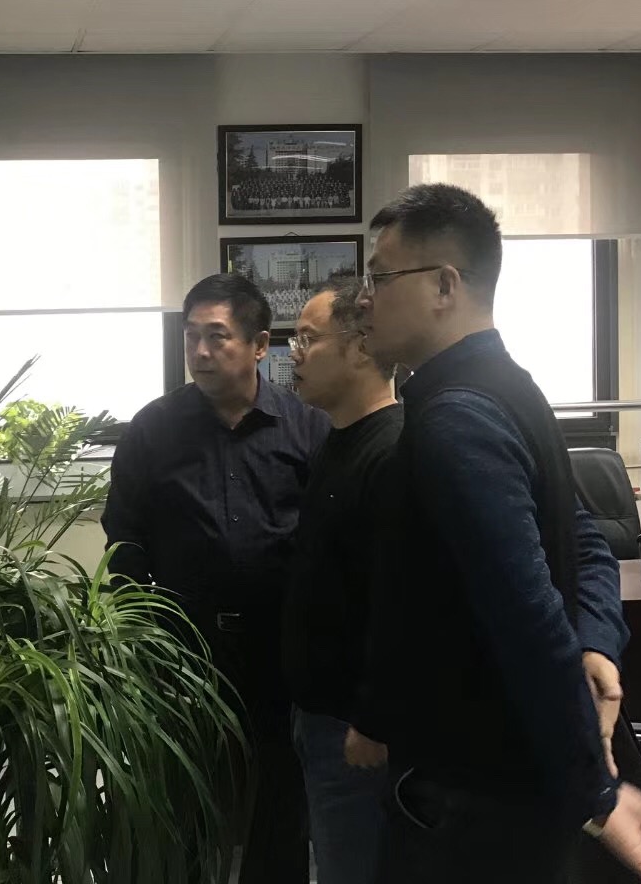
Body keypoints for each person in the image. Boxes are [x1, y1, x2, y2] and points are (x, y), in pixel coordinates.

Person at [354, 184, 641, 884]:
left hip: (477, 801)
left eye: (380, 278)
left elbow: (526, 614)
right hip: (513, 788)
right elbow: (588, 542)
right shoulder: (510, 386)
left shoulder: (455, 419)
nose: (364, 299)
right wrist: (597, 642)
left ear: (444, 286)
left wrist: (597, 792)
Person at [101, 273, 329, 884]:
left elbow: (329, 542)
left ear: (259, 345)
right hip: (186, 652)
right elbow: (125, 539)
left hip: (282, 651)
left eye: (217, 336)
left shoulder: (308, 428)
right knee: (190, 802)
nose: (200, 352)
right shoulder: (152, 430)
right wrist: (142, 642)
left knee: (281, 805)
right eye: (191, 337)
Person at [281, 273, 401, 884]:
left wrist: (372, 718)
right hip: (321, 715)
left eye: (308, 339)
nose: (294, 354)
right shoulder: (337, 440)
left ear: (360, 347)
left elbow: (399, 603)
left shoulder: (393, 451)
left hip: (356, 732)